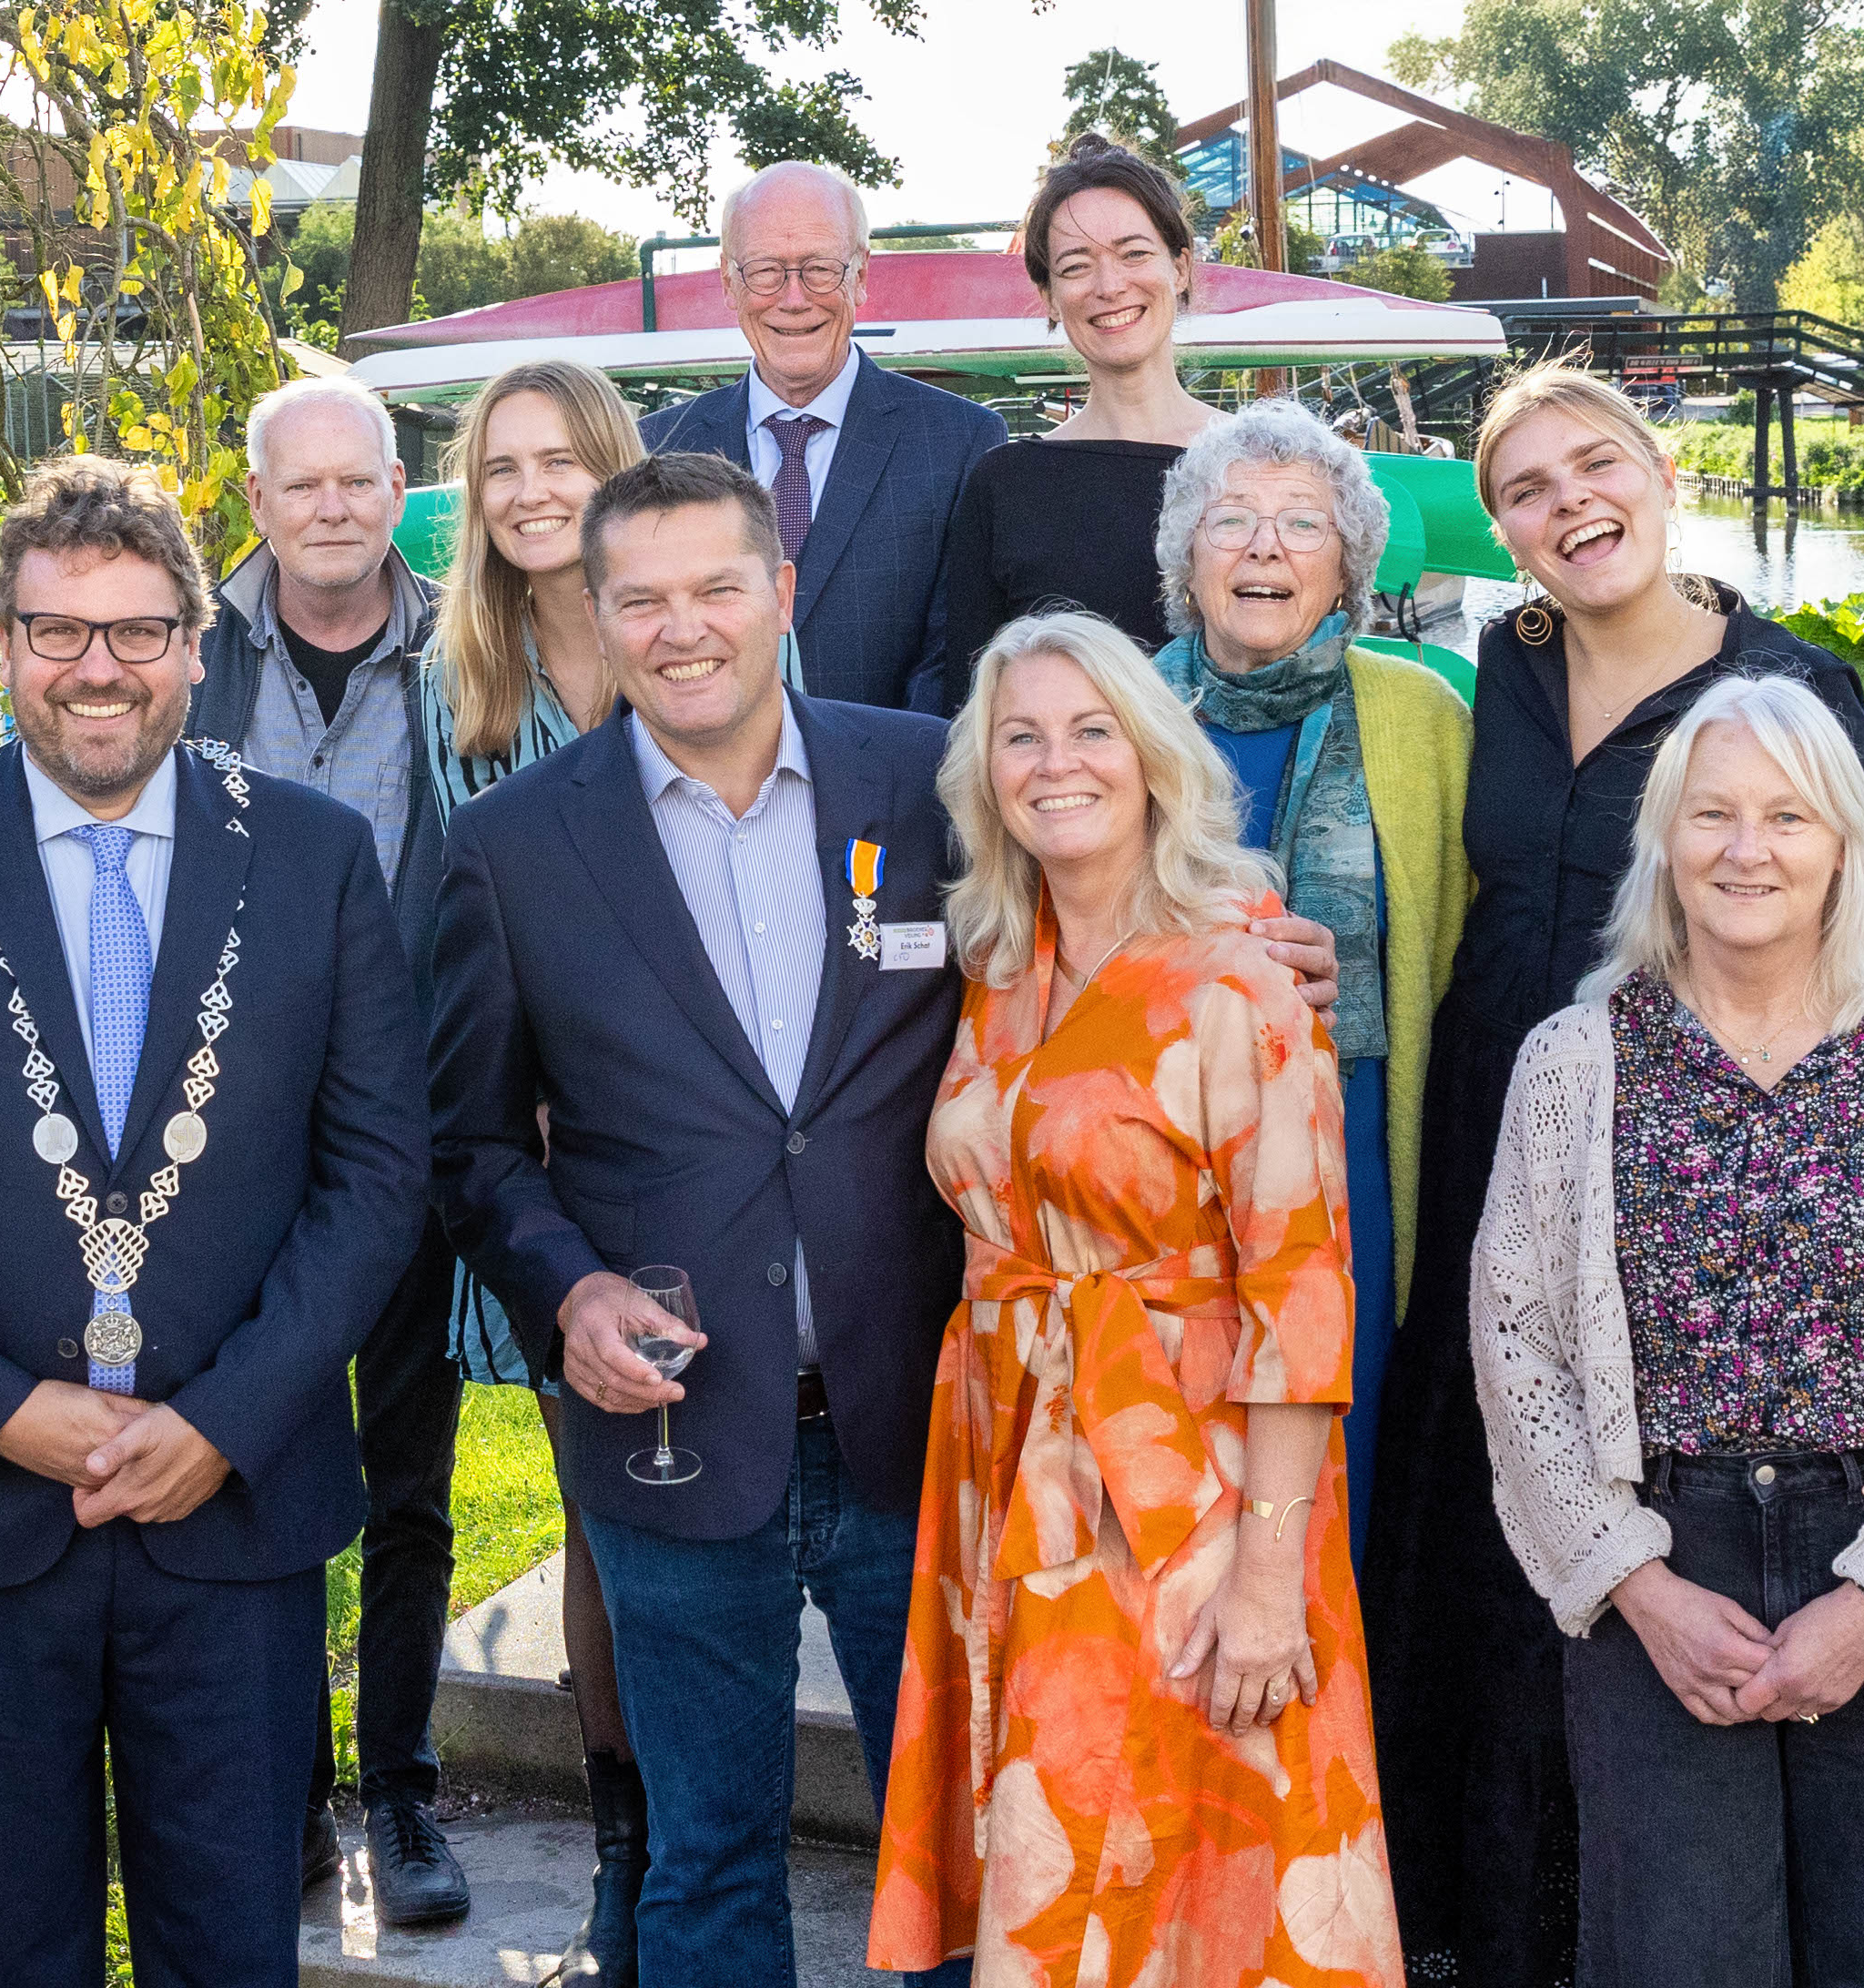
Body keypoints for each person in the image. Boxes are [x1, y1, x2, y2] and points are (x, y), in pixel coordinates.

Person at [0, 456, 430, 1988]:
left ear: (199, 641)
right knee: (11, 1946)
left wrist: (229, 1416)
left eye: (137, 629)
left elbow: (379, 1171)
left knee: (232, 1943)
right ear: (1, 644)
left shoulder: (316, 855)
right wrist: (1, 1406)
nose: (97, 669)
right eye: (56, 631)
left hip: (234, 1509)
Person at [1359, 361, 1864, 1987]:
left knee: (1633, 1516)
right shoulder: (1492, 675)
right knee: (1480, 1520)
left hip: (1672, 1167)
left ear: (1658, 473)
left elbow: (1860, 946)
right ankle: (1469, 1923)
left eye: (1594, 466)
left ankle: (1630, 1931)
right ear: (1498, 529)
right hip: (1480, 1151)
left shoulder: (1788, 681)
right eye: (1523, 488)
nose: (1566, 503)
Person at [427, 450, 971, 1986]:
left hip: (915, 1416)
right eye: (641, 598)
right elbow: (466, 1141)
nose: (684, 627)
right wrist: (565, 1291)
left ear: (779, 593)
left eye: (717, 586)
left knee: (964, 1848)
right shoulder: (518, 844)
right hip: (670, 1432)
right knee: (707, 1854)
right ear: (594, 618)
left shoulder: (925, 776)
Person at [1471, 674, 1864, 1986]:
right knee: (1673, 1959)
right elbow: (1517, 1349)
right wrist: (1639, 1585)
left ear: (1845, 845)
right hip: (1668, 1565)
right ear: (1665, 843)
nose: (1748, 851)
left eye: (1788, 818)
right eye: (1714, 816)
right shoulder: (1575, 1064)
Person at [868, 611, 1401, 1987]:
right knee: (1059, 1841)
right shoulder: (997, 963)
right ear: (984, 772)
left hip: (1196, 1487)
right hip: (1013, 1458)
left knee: (1188, 1860)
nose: (1058, 764)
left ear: (1155, 755)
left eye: (1092, 729)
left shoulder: (1241, 973)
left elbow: (1304, 1291)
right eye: (1021, 736)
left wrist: (1271, 1580)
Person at [187, 373, 469, 1922]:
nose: (334, 508)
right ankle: (286, 1798)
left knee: (410, 1486)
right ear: (260, 502)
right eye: (302, 487)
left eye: (359, 480)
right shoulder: (189, 653)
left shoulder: (460, 647)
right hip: (225, 1146)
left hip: (405, 1127)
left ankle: (406, 1790)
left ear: (393, 485)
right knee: (259, 1461)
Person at [415, 355, 667, 1982]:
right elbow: (468, 951)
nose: (525, 490)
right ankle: (624, 1848)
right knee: (600, 1517)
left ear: (609, 466)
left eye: (554, 458)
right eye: (497, 466)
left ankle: (703, 1822)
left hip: (711, 1143)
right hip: (557, 1162)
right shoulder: (468, 704)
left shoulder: (688, 645)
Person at [1146, 399, 1470, 1561]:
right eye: (1232, 520)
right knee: (1178, 1468)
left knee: (1350, 1467)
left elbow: (1470, 936)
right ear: (1188, 555)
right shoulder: (1116, 712)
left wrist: (1356, 966)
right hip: (1163, 1161)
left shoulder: (1423, 714)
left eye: (1303, 525)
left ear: (1349, 569)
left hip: (1359, 1153)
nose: (1267, 548)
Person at [640, 159, 1008, 709]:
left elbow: (956, 663)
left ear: (859, 276)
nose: (793, 298)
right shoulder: (654, 449)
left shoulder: (961, 442)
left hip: (894, 785)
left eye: (819, 269)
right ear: (728, 284)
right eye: (765, 270)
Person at [916, 134, 1216, 715]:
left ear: (1180, 267)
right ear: (1049, 297)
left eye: (1134, 254)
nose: (1109, 286)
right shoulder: (1006, 486)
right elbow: (973, 714)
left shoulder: (1260, 465)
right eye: (1076, 267)